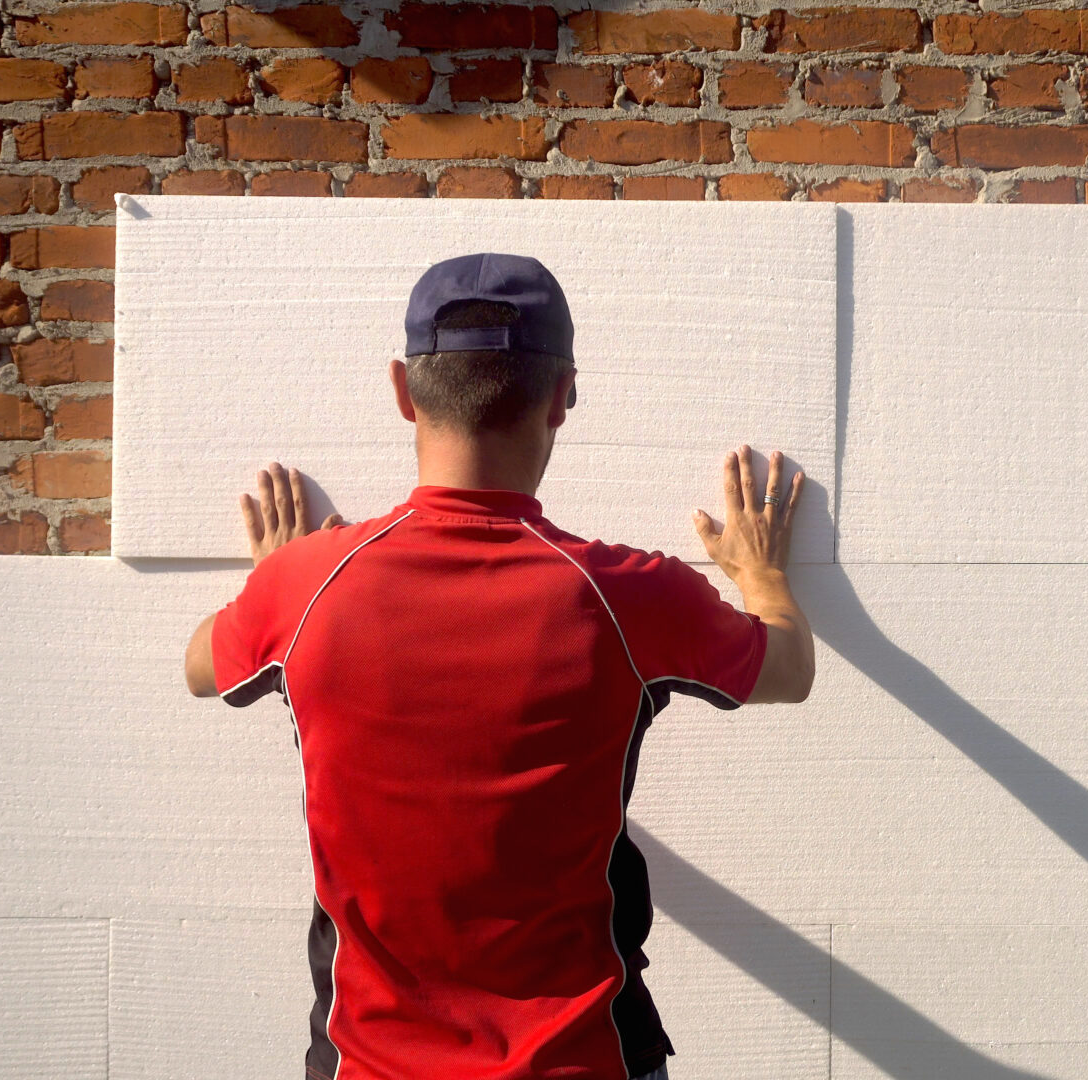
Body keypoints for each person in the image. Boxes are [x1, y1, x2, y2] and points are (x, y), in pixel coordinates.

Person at [179, 253, 816, 1080]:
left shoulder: (304, 589)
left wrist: (275, 584)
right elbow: (790, 667)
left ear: (404, 392)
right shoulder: (629, 597)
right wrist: (761, 575)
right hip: (585, 1063)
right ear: (563, 396)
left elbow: (199, 665)